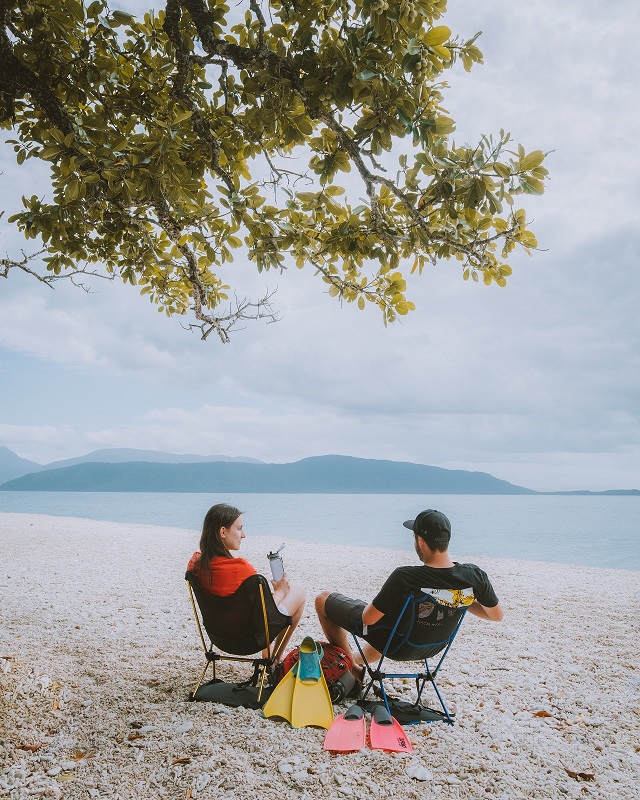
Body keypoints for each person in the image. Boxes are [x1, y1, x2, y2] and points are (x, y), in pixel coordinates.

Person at [315, 509, 503, 682]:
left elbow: (368, 620)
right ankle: (356, 659)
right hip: (433, 646)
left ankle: (353, 669)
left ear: (420, 541)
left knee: (323, 599)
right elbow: (496, 616)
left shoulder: (405, 577)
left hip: (398, 645)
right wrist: (454, 598)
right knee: (392, 620)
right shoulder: (475, 576)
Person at [187, 503, 305, 659]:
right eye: (239, 528)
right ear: (223, 531)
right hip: (251, 640)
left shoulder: (196, 564)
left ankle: (273, 658)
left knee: (274, 595)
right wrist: (280, 591)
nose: (243, 535)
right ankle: (273, 660)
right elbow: (264, 614)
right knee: (298, 590)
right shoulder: (240, 568)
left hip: (219, 638)